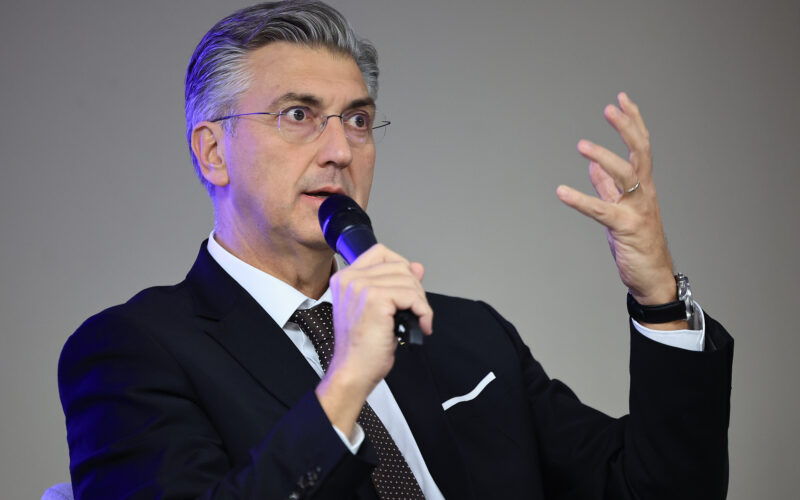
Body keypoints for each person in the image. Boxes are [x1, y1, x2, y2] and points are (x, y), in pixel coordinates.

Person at [58, 1, 733, 499]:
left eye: (357, 120)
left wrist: (658, 296)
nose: (339, 149)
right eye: (298, 115)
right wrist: (346, 383)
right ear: (213, 151)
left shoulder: (468, 334)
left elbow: (656, 489)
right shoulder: (132, 353)